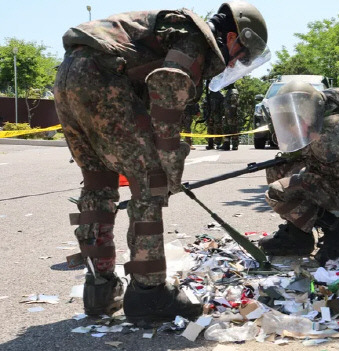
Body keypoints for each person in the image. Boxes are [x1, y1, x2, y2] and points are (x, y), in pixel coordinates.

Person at [53, 1, 269, 323]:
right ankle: (149, 294)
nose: (237, 62)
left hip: (69, 77)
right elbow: (167, 87)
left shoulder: (170, 29)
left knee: (98, 184)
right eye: (243, 54)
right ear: (233, 37)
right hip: (102, 79)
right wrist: (168, 165)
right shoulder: (195, 37)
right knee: (151, 182)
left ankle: (99, 290)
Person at [259, 80, 339, 265]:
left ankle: (338, 231)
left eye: (292, 120)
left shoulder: (333, 132)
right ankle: (298, 236)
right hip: (329, 178)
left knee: (280, 190)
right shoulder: (312, 129)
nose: (289, 127)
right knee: (276, 171)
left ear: (307, 115)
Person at [221, 83, 241, 150]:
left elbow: (233, 104)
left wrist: (232, 115)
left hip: (232, 115)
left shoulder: (233, 92)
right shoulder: (229, 91)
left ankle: (235, 145)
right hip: (227, 114)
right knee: (226, 129)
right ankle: (226, 144)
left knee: (233, 129)